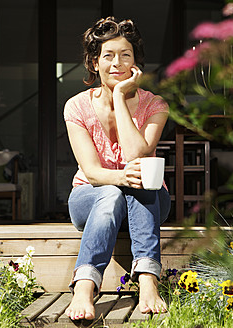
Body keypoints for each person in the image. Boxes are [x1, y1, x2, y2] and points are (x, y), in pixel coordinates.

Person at [63, 16, 171, 321]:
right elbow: (93, 171)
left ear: (136, 63)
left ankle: (148, 281)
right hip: (91, 198)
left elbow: (137, 153)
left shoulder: (156, 105)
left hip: (146, 202)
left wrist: (121, 96)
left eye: (126, 55)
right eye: (108, 56)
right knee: (111, 191)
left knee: (142, 186)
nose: (117, 63)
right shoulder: (76, 106)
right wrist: (121, 178)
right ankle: (85, 288)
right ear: (94, 63)